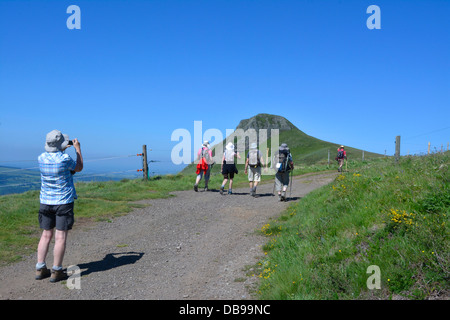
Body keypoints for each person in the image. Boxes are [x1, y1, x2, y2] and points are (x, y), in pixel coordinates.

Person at [35, 130, 83, 282]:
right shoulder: (65, 158)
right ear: (61, 145)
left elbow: (55, 159)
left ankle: (40, 268)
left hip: (45, 202)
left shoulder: (41, 158)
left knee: (46, 235)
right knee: (60, 237)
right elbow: (78, 167)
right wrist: (77, 149)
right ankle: (57, 270)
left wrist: (60, 148)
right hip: (63, 202)